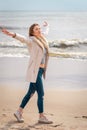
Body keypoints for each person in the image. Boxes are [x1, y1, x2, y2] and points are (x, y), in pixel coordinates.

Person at [2, 21, 53, 124]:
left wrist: (47, 26)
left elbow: (45, 32)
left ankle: (18, 112)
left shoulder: (42, 38)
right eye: (36, 29)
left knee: (30, 92)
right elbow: (23, 39)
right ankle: (41, 116)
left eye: (39, 29)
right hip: (35, 71)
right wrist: (13, 34)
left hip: (41, 70)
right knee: (41, 94)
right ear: (32, 32)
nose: (39, 30)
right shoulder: (32, 40)